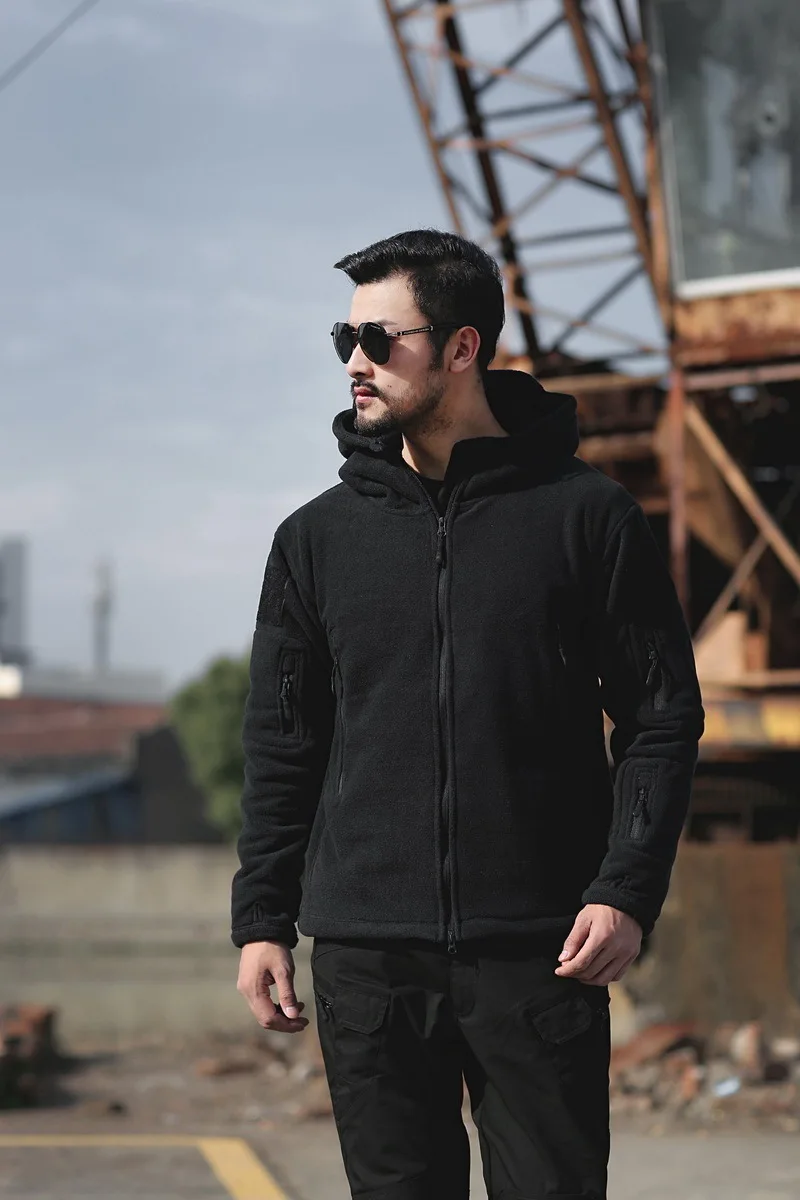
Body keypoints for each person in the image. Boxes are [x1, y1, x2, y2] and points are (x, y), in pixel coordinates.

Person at [232, 229, 704, 1200]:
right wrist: (261, 918)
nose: (354, 362)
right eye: (344, 339)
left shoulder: (587, 517)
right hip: (368, 957)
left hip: (542, 952)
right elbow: (283, 743)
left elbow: (660, 718)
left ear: (461, 348)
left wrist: (625, 889)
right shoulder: (313, 541)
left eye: (379, 339)